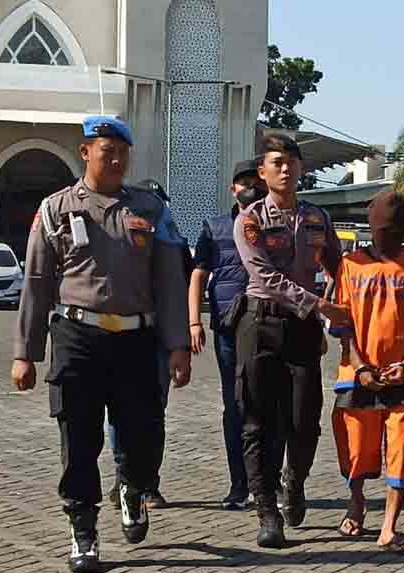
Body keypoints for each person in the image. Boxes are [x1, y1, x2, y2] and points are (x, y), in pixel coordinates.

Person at [11, 116, 191, 573]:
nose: (115, 159)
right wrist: (25, 353)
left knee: (143, 434)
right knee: (79, 437)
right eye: (105, 150)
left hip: (137, 339)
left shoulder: (152, 210)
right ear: (85, 152)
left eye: (122, 152)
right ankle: (83, 529)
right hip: (77, 336)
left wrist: (178, 344)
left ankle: (133, 487)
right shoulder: (56, 210)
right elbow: (36, 282)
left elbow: (170, 281)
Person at [233, 134, 346, 548]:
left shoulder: (318, 217)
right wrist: (318, 303)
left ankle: (293, 484)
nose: (285, 169)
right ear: (262, 173)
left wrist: (339, 296)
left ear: (301, 170)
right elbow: (263, 275)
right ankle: (265, 509)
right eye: (276, 162)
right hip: (260, 323)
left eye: (291, 162)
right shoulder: (250, 219)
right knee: (257, 421)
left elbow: (339, 265)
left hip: (303, 329)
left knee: (304, 419)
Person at [329, 191, 404, 552]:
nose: (387, 237)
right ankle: (356, 501)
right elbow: (342, 324)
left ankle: (389, 526)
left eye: (394, 230)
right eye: (382, 231)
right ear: (372, 230)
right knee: (356, 447)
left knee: (402, 448)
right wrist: (359, 367)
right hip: (356, 373)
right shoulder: (350, 265)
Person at [189, 159, 266, 510]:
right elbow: (198, 276)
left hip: (268, 325)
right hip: (228, 327)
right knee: (235, 406)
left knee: (268, 404)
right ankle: (239, 484)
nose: (250, 188)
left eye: (255, 181)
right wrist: (193, 322)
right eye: (243, 183)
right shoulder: (215, 227)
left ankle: (268, 483)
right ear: (232, 189)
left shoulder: (275, 223)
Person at [105, 179, 183, 510]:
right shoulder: (118, 243)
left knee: (153, 412)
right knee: (116, 413)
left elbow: (177, 286)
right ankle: (125, 476)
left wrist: (179, 341)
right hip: (123, 333)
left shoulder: (172, 242)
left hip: (157, 335)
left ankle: (148, 481)